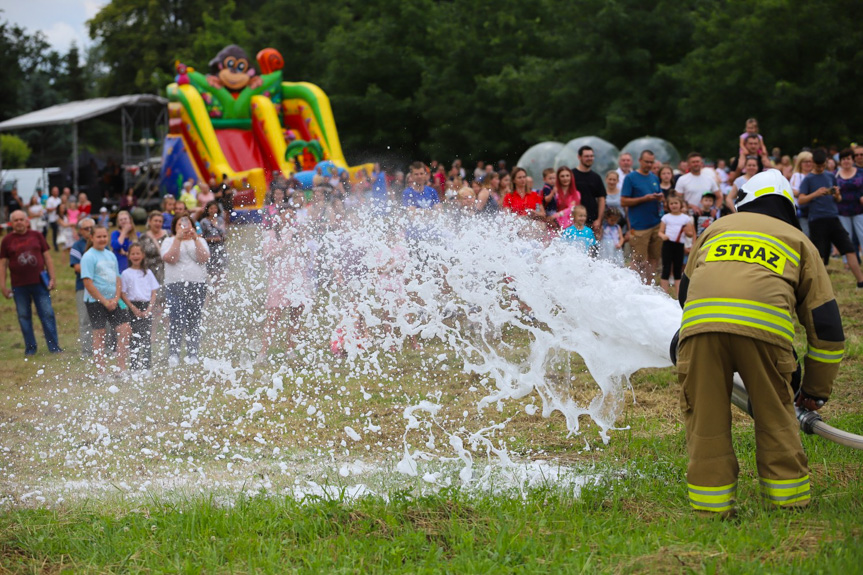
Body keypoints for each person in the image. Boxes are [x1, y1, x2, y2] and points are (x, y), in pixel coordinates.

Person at [675, 169, 843, 517]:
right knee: (777, 417)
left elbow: (685, 293)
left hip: (701, 334)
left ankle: (712, 510)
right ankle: (788, 504)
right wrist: (814, 390)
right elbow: (826, 328)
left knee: (706, 421)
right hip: (766, 339)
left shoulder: (715, 229)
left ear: (744, 202)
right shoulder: (799, 241)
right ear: (787, 207)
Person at [798, 148, 863, 286]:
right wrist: (815, 194)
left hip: (833, 218)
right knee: (819, 255)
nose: (820, 168)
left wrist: (836, 194)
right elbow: (801, 200)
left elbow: (838, 199)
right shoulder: (808, 179)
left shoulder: (830, 176)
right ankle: (819, 286)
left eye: (823, 165)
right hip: (817, 220)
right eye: (818, 166)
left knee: (849, 249)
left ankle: (861, 281)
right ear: (814, 163)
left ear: (826, 163)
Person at [0, 210, 62, 355]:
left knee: (47, 314)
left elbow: (47, 258)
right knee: (24, 316)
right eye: (16, 220)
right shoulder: (7, 240)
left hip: (40, 283)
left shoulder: (37, 235)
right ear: (12, 223)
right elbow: (3, 264)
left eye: (22, 219)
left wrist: (52, 278)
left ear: (27, 221)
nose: (19, 222)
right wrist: (3, 285)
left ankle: (54, 348)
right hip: (19, 286)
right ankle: (30, 348)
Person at [257, 199, 312, 363]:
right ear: (279, 216)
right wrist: (285, 244)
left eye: (292, 214)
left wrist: (301, 241)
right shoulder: (271, 234)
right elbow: (268, 257)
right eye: (286, 213)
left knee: (296, 315)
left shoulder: (297, 233)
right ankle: (263, 352)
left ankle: (290, 349)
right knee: (273, 316)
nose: (290, 216)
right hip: (279, 280)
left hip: (296, 278)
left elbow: (306, 256)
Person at [80, 225, 131, 375]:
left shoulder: (110, 255)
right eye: (99, 237)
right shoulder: (89, 256)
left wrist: (115, 298)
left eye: (104, 236)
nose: (102, 239)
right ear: (92, 238)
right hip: (95, 301)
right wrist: (104, 301)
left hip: (113, 300)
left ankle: (121, 368)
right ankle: (101, 371)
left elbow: (117, 278)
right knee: (100, 333)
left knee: (125, 329)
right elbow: (88, 282)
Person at [161, 215, 210, 366]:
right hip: (175, 285)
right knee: (176, 320)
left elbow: (204, 258)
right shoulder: (168, 241)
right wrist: (178, 239)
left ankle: (192, 354)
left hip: (197, 284)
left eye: (187, 224)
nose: (184, 227)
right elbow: (171, 258)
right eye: (180, 225)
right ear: (174, 227)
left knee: (194, 321)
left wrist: (195, 239)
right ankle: (174, 354)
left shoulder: (200, 240)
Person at [620, 150, 664, 284]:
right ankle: (633, 285)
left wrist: (660, 198)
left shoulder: (654, 177)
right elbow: (623, 201)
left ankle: (648, 285)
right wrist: (643, 199)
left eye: (652, 162)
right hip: (639, 226)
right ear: (640, 161)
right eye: (647, 162)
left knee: (654, 258)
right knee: (638, 259)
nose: (649, 165)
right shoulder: (631, 178)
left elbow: (659, 196)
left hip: (656, 223)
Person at [121, 243, 160, 371]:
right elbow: (123, 293)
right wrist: (133, 308)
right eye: (133, 253)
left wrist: (149, 308)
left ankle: (146, 367)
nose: (136, 256)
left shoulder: (148, 273)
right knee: (135, 338)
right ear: (129, 256)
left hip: (146, 305)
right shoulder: (126, 273)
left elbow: (154, 291)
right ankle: (134, 366)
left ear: (143, 255)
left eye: (138, 253)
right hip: (134, 306)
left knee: (146, 337)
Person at [658, 194, 694, 297]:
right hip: (668, 244)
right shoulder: (666, 217)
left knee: (678, 269)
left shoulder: (685, 218)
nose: (674, 205)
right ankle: (664, 293)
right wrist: (663, 236)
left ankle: (678, 294)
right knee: (666, 267)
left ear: (680, 204)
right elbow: (660, 232)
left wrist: (687, 232)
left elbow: (690, 233)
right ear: (668, 205)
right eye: (671, 203)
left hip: (679, 245)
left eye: (676, 203)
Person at [70, 217, 95, 357]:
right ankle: (87, 351)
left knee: (105, 319)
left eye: (91, 228)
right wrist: (96, 269)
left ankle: (107, 349)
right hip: (83, 287)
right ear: (81, 231)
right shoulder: (77, 246)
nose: (89, 231)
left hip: (102, 287)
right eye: (86, 228)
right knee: (85, 319)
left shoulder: (102, 244)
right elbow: (77, 267)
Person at [835, 148, 863, 262]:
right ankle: (848, 262)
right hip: (842, 211)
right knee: (846, 238)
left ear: (852, 160)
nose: (846, 161)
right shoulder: (835, 175)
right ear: (840, 161)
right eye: (843, 159)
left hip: (859, 210)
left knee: (862, 236)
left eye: (848, 158)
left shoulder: (861, 172)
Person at [572, 146, 607, 235]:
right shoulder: (571, 175)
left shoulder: (596, 177)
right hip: (573, 220)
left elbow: (601, 199)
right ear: (579, 157)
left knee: (592, 247)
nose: (589, 158)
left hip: (592, 221)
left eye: (591, 156)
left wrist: (599, 219)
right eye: (586, 156)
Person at [199, 200, 228, 285]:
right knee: (211, 272)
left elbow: (224, 235)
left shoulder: (220, 220)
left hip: (220, 249)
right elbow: (201, 237)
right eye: (211, 208)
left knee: (221, 272)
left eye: (215, 208)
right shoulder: (204, 222)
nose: (213, 210)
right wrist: (212, 239)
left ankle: (218, 291)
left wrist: (216, 226)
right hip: (210, 249)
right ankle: (212, 292)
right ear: (207, 210)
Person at [790, 151, 814, 236]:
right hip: (803, 211)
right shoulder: (797, 176)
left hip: (815, 210)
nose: (808, 164)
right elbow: (793, 191)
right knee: (806, 234)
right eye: (805, 161)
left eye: (810, 161)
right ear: (800, 163)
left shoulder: (815, 175)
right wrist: (812, 193)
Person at [45, 186, 62, 251]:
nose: (56, 192)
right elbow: (47, 209)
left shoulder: (59, 199)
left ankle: (59, 243)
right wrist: (55, 208)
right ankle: (55, 245)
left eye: (57, 191)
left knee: (59, 231)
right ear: (52, 192)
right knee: (54, 232)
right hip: (52, 219)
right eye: (55, 191)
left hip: (58, 218)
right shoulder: (50, 200)